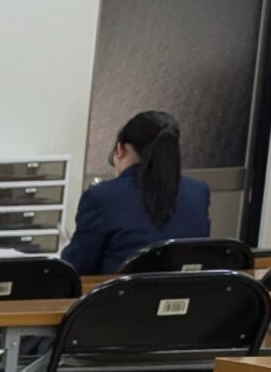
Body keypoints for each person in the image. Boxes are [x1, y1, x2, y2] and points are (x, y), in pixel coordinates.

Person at [64, 109, 210, 272]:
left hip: (122, 295)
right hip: (185, 293)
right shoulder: (198, 192)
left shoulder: (101, 197)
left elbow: (78, 266)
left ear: (120, 150)